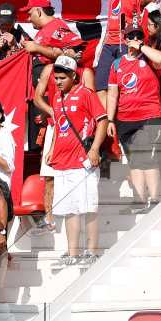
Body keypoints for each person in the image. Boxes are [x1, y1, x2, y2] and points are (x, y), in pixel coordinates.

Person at [40, 55, 108, 266]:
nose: (58, 82)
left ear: (73, 75)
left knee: (88, 207)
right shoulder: (56, 98)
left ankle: (92, 250)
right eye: (56, 78)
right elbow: (59, 126)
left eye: (62, 78)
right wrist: (51, 149)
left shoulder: (86, 94)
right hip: (62, 161)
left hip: (82, 161)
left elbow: (102, 121)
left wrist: (95, 149)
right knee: (69, 209)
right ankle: (73, 252)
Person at [107, 29, 161, 214]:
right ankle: (139, 200)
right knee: (134, 160)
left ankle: (155, 200)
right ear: (125, 40)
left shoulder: (148, 57)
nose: (135, 40)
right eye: (131, 37)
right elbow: (112, 94)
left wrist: (142, 46)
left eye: (139, 37)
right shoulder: (117, 63)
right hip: (125, 118)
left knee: (147, 157)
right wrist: (110, 119)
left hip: (149, 115)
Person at [93, 0, 138, 100]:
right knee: (100, 86)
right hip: (108, 44)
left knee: (124, 85)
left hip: (125, 43)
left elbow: (138, 20)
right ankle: (107, 115)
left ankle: (121, 113)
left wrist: (132, 39)